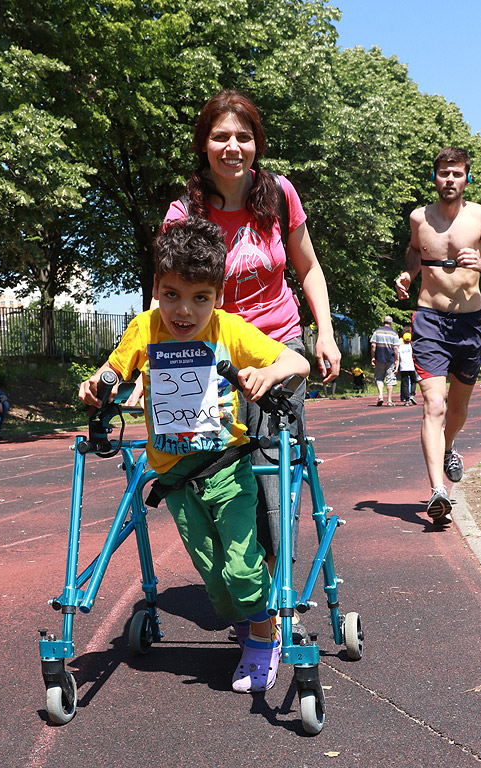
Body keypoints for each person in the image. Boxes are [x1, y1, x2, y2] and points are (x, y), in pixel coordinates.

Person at [79, 217, 310, 693]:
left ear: (218, 297)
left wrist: (268, 375)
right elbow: (112, 370)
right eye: (172, 295)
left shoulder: (230, 329)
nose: (184, 311)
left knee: (243, 567)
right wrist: (95, 386)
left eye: (200, 298)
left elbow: (297, 361)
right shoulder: (144, 328)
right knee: (217, 585)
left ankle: (264, 642)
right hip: (176, 481)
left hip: (227, 469)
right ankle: (248, 622)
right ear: (156, 290)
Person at [162, 90, 340, 632]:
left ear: (257, 144)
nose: (232, 147)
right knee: (206, 478)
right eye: (221, 137)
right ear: (204, 144)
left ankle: (270, 599)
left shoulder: (279, 195)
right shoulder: (185, 210)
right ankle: (248, 592)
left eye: (243, 136)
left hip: (275, 351)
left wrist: (324, 334)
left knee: (269, 478)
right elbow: (166, 293)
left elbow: (308, 268)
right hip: (207, 356)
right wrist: (154, 364)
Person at [395, 147, 481, 524]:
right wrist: (408, 275)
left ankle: (449, 447)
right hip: (429, 319)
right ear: (434, 178)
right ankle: (437, 491)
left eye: (457, 174)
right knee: (434, 404)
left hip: (470, 322)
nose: (450, 180)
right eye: (443, 173)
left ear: (467, 178)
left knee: (458, 408)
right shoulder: (419, 218)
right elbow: (415, 251)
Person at [370, 316, 400, 406]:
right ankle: (389, 400)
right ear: (391, 323)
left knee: (379, 377)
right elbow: (395, 348)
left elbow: (373, 345)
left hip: (379, 357)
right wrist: (396, 359)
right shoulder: (394, 334)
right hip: (390, 358)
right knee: (390, 378)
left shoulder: (377, 332)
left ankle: (380, 396)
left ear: (383, 322)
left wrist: (373, 357)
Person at [398, 332, 418, 405]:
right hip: (411, 367)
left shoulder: (400, 347)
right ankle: (412, 394)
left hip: (403, 367)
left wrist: (396, 367)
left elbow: (398, 358)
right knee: (414, 381)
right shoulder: (412, 347)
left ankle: (407, 400)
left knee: (405, 384)